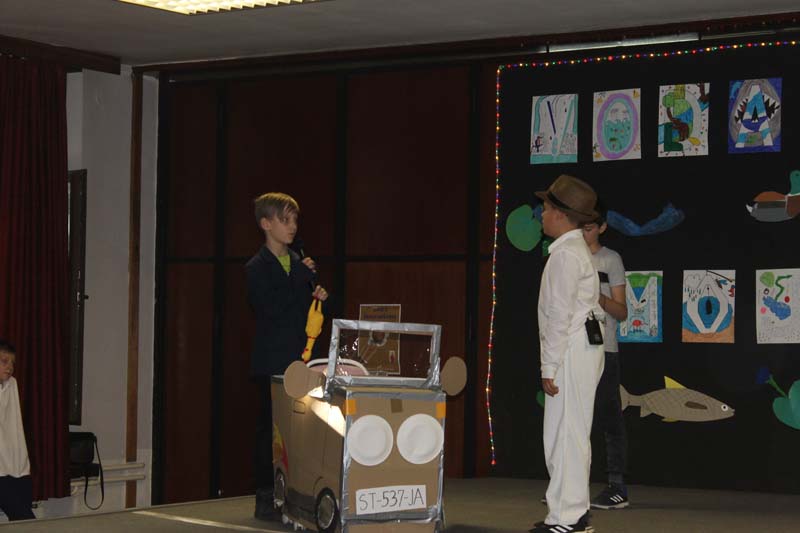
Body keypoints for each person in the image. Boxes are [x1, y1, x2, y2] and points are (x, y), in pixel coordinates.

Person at [246, 192, 329, 521]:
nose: (292, 226)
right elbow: (270, 310)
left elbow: (304, 312)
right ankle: (266, 497)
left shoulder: (299, 261)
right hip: (273, 360)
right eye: (285, 220)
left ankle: (298, 496)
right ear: (266, 224)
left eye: (295, 220)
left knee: (304, 431)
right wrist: (299, 278)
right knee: (271, 432)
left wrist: (319, 296)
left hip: (304, 359)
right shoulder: (256, 267)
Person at [530, 175, 605, 533]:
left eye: (545, 209)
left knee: (565, 435)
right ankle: (568, 512)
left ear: (560, 214)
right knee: (568, 433)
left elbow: (559, 315)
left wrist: (549, 365)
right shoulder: (574, 251)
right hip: (580, 347)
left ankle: (569, 517)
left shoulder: (565, 256)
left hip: (571, 350)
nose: (542, 215)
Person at [582, 205, 630, 510]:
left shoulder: (611, 259)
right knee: (575, 418)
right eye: (580, 227)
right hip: (574, 350)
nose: (584, 232)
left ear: (601, 228)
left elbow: (622, 311)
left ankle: (617, 486)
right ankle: (571, 485)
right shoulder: (569, 256)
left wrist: (595, 295)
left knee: (609, 416)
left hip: (604, 349)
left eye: (589, 227)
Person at [0, 339, 35, 521]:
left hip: (17, 467)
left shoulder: (12, 384)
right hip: (0, 471)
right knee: (26, 521)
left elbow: (14, 428)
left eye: (12, 362)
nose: (10, 367)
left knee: (22, 522)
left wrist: (23, 466)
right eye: (4, 361)